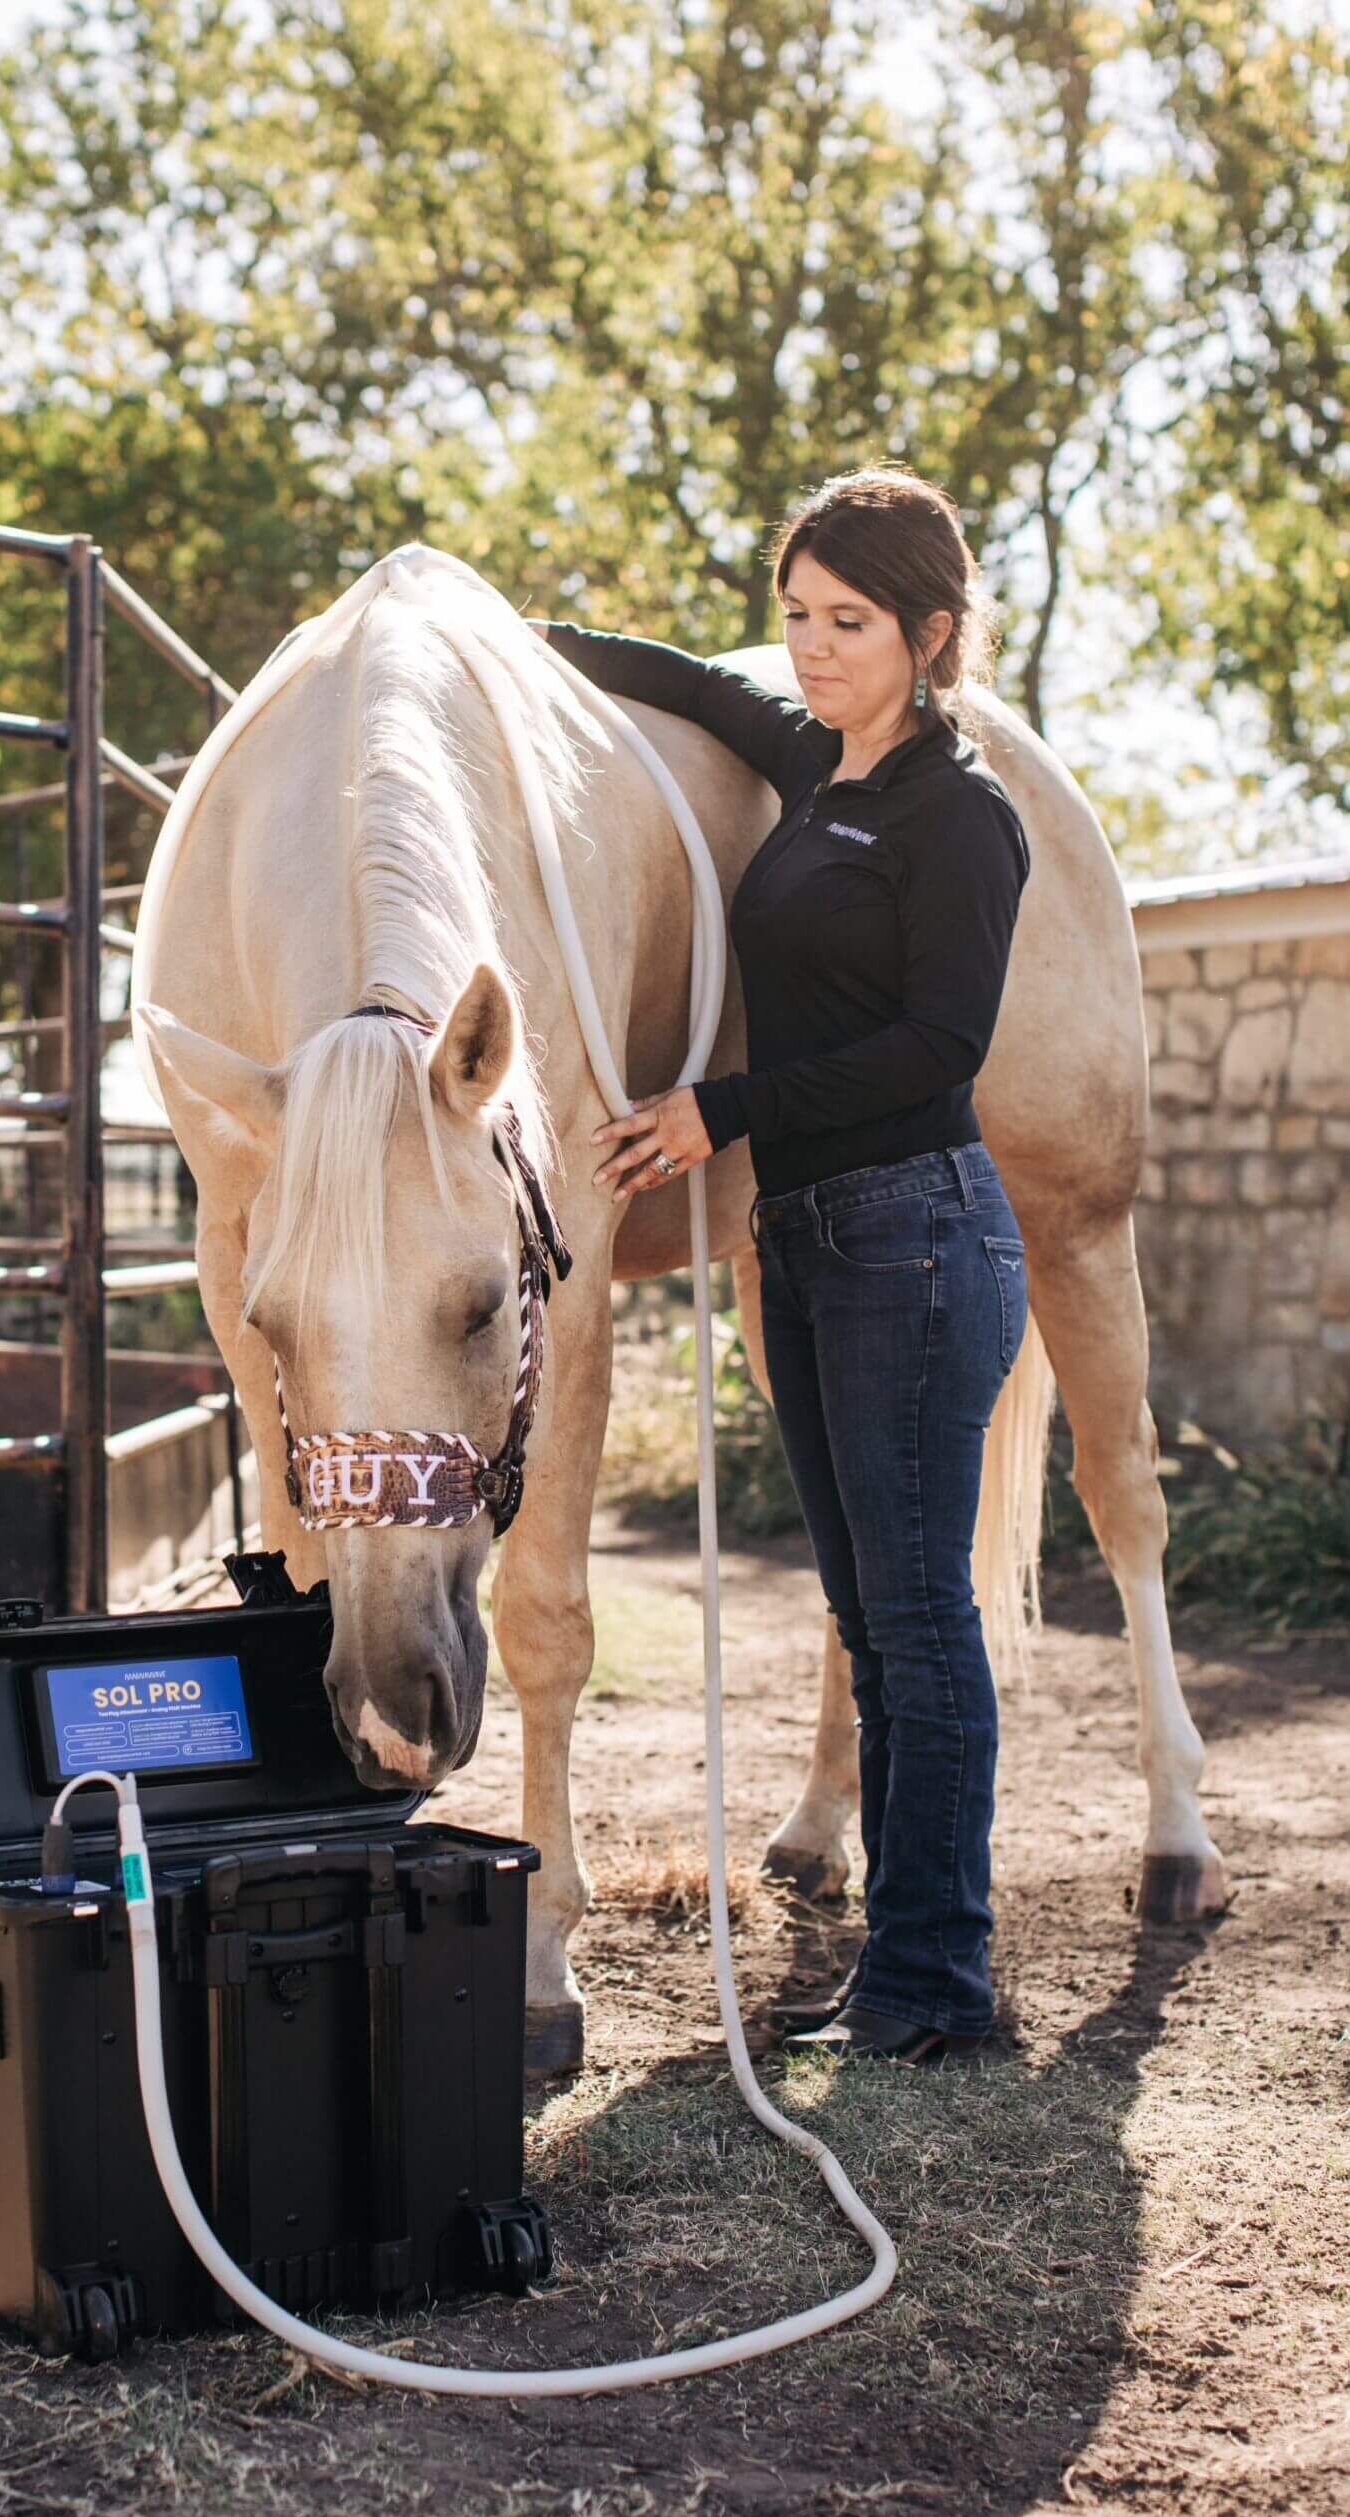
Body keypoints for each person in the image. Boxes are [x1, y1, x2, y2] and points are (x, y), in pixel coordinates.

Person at [533, 465, 1031, 2066]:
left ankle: (937, 1981)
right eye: (798, 615)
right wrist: (489, 630)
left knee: (919, 1623)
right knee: (871, 1620)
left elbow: (941, 1046)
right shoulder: (819, 764)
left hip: (917, 1237)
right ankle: (907, 1963)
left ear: (930, 634)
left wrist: (720, 1111)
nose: (812, 648)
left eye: (850, 622)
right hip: (809, 1238)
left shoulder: (961, 815)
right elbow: (684, 680)